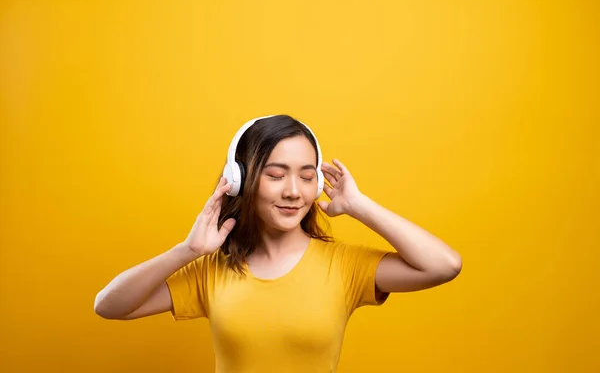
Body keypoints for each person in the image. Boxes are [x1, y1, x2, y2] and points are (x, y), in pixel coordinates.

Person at [94, 114, 462, 372]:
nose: (292, 191)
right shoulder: (211, 270)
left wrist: (359, 206)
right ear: (241, 181)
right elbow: (109, 306)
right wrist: (187, 250)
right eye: (275, 175)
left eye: (306, 177)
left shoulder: (344, 265)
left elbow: (444, 265)